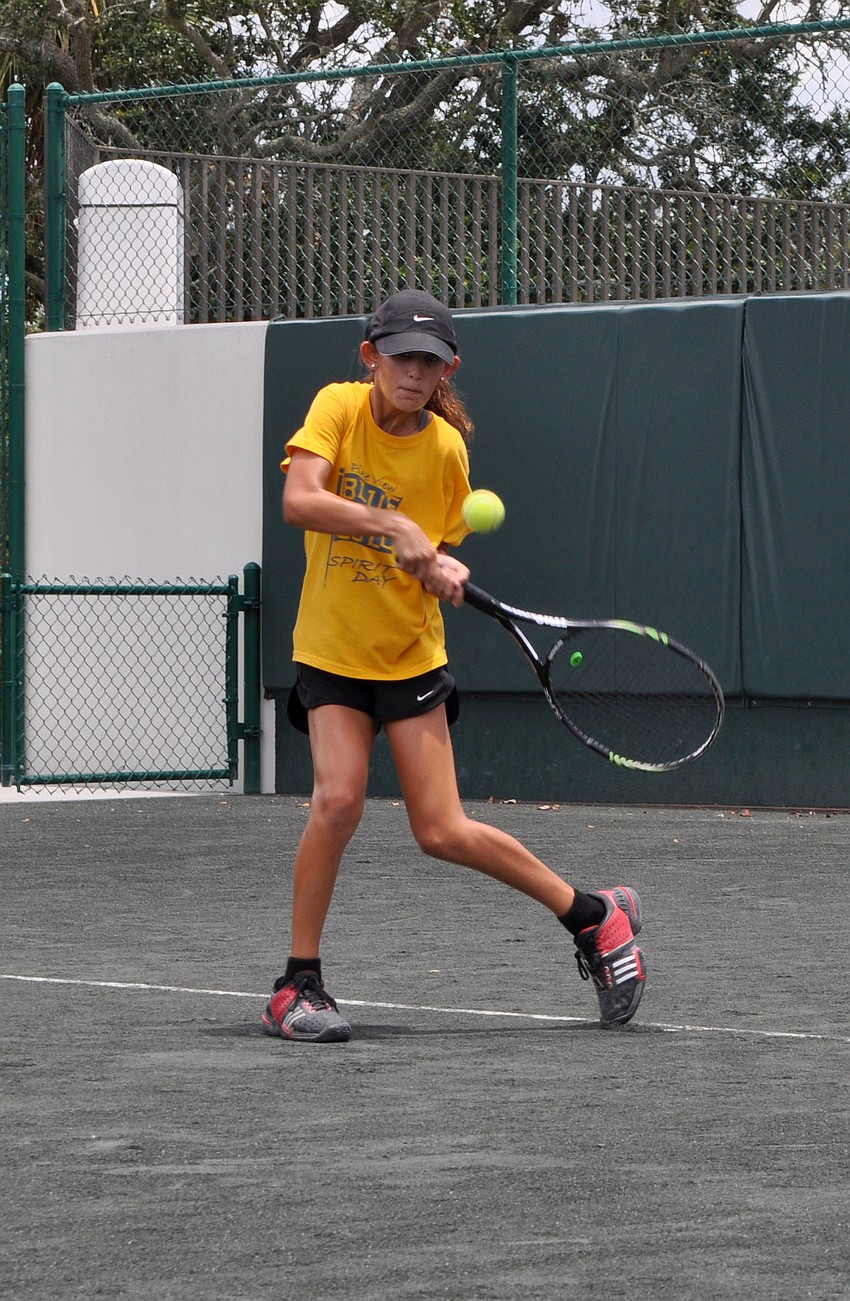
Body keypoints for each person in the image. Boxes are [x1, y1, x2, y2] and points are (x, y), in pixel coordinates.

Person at [262, 288, 646, 1043]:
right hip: (332, 648)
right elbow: (300, 500)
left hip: (408, 653)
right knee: (336, 801)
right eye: (402, 356)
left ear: (449, 369)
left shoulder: (444, 449)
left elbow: (433, 549)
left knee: (440, 829)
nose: (414, 371)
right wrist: (394, 524)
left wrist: (441, 567)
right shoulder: (337, 407)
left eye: (430, 361)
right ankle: (297, 984)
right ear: (371, 355)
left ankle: (595, 916)